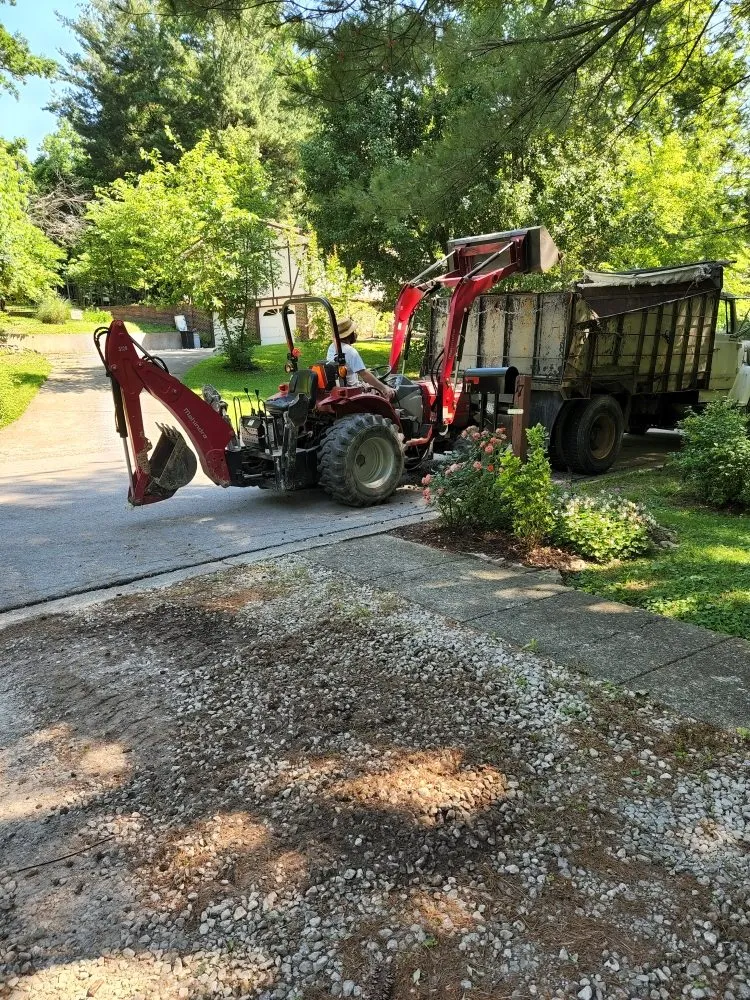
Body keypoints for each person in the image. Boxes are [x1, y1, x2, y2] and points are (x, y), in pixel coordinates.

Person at [326, 317, 396, 400]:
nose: (355, 334)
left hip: (340, 386)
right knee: (392, 392)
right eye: (353, 331)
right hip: (353, 390)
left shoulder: (332, 347)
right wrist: (384, 388)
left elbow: (348, 368)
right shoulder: (350, 351)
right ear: (350, 334)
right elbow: (364, 374)